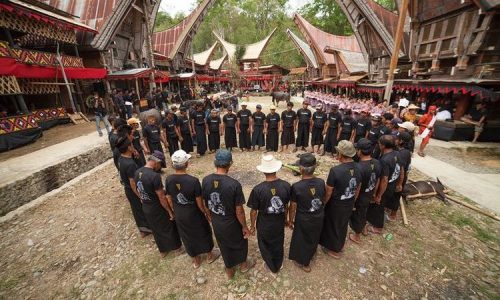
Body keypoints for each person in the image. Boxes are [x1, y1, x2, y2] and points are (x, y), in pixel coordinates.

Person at [201, 150, 255, 278]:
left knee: (223, 243)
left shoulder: (206, 180)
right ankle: (243, 265)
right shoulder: (234, 184)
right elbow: (239, 211)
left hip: (217, 220)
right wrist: (244, 227)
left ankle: (229, 269)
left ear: (215, 163)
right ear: (229, 164)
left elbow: (205, 201)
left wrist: (208, 214)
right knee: (240, 242)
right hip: (231, 221)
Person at [165, 150, 220, 268]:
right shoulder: (193, 181)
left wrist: (173, 210)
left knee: (186, 235)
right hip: (193, 212)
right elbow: (199, 202)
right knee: (203, 231)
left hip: (179, 212)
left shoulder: (169, 179)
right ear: (186, 164)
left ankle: (196, 259)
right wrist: (206, 213)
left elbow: (169, 198)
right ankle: (210, 255)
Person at [247, 155, 290, 273]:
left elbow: (254, 211)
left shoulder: (258, 189)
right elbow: (286, 206)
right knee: (278, 241)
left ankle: (270, 264)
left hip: (264, 222)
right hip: (279, 221)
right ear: (276, 169)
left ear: (263, 171)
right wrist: (286, 219)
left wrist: (252, 226)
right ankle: (278, 263)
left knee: (264, 242)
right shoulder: (286, 185)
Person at [135, 151, 182, 256]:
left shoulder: (137, 172)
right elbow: (161, 196)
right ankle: (176, 248)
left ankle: (163, 251)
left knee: (155, 228)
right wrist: (169, 211)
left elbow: (138, 189)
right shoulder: (154, 176)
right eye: (160, 164)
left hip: (146, 205)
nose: (159, 167)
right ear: (156, 162)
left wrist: (142, 199)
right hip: (156, 206)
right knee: (168, 225)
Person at [320, 140, 361, 258]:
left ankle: (335, 249)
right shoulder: (359, 168)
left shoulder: (336, 170)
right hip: (348, 202)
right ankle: (340, 245)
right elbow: (358, 187)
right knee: (342, 225)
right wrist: (353, 200)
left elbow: (329, 191)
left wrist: (324, 203)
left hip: (336, 205)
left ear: (341, 154)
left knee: (333, 225)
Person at [288, 153, 325, 272]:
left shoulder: (296, 186)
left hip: (303, 218)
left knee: (301, 238)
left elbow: (293, 206)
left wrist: (290, 220)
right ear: (315, 168)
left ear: (300, 169)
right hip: (318, 215)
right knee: (313, 236)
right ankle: (311, 253)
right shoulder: (320, 182)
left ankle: (305, 262)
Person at [366, 135, 402, 234]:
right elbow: (401, 169)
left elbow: (384, 179)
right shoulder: (397, 153)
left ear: (383, 146)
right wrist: (399, 183)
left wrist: (379, 195)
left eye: (379, 144)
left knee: (379, 205)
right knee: (381, 203)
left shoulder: (384, 160)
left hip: (386, 187)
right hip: (393, 184)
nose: (378, 145)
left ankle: (378, 228)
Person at [116, 136, 152, 237]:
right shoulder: (130, 164)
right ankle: (146, 229)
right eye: (131, 145)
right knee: (140, 209)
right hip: (132, 190)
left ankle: (143, 230)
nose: (133, 146)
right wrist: (140, 195)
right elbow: (132, 182)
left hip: (127, 189)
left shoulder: (121, 158)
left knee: (136, 210)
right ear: (128, 147)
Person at [349, 138, 381, 244]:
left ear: (360, 151)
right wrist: (375, 193)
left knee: (358, 214)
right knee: (364, 211)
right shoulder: (377, 163)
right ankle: (363, 228)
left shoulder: (358, 167)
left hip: (360, 196)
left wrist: (353, 201)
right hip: (369, 193)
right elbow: (378, 180)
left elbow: (357, 187)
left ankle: (357, 236)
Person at [386, 132, 412, 221]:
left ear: (401, 141)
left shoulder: (404, 153)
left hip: (400, 178)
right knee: (392, 195)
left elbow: (402, 169)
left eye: (397, 139)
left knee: (396, 196)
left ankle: (393, 215)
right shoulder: (400, 150)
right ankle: (388, 208)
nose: (395, 140)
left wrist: (400, 183)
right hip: (396, 176)